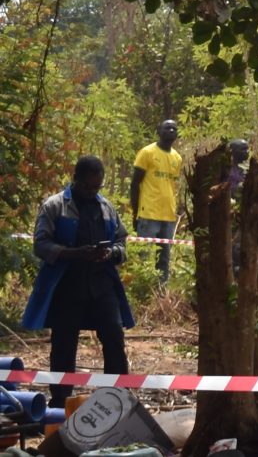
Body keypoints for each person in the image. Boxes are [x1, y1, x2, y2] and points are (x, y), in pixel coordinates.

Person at [24, 156, 132, 390]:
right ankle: (61, 401)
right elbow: (40, 245)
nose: (92, 191)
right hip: (66, 286)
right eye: (87, 186)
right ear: (75, 180)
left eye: (97, 187)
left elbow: (122, 241)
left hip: (102, 285)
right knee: (64, 343)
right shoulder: (55, 205)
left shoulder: (106, 207)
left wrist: (112, 253)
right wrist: (74, 253)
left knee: (114, 337)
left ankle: (117, 397)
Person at [129, 118, 183, 281]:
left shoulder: (177, 158)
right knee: (144, 257)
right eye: (167, 128)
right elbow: (134, 184)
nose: (171, 131)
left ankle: (160, 297)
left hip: (168, 215)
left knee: (164, 259)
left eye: (174, 129)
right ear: (159, 131)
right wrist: (135, 212)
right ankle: (142, 290)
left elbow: (171, 185)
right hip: (149, 214)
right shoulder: (147, 153)